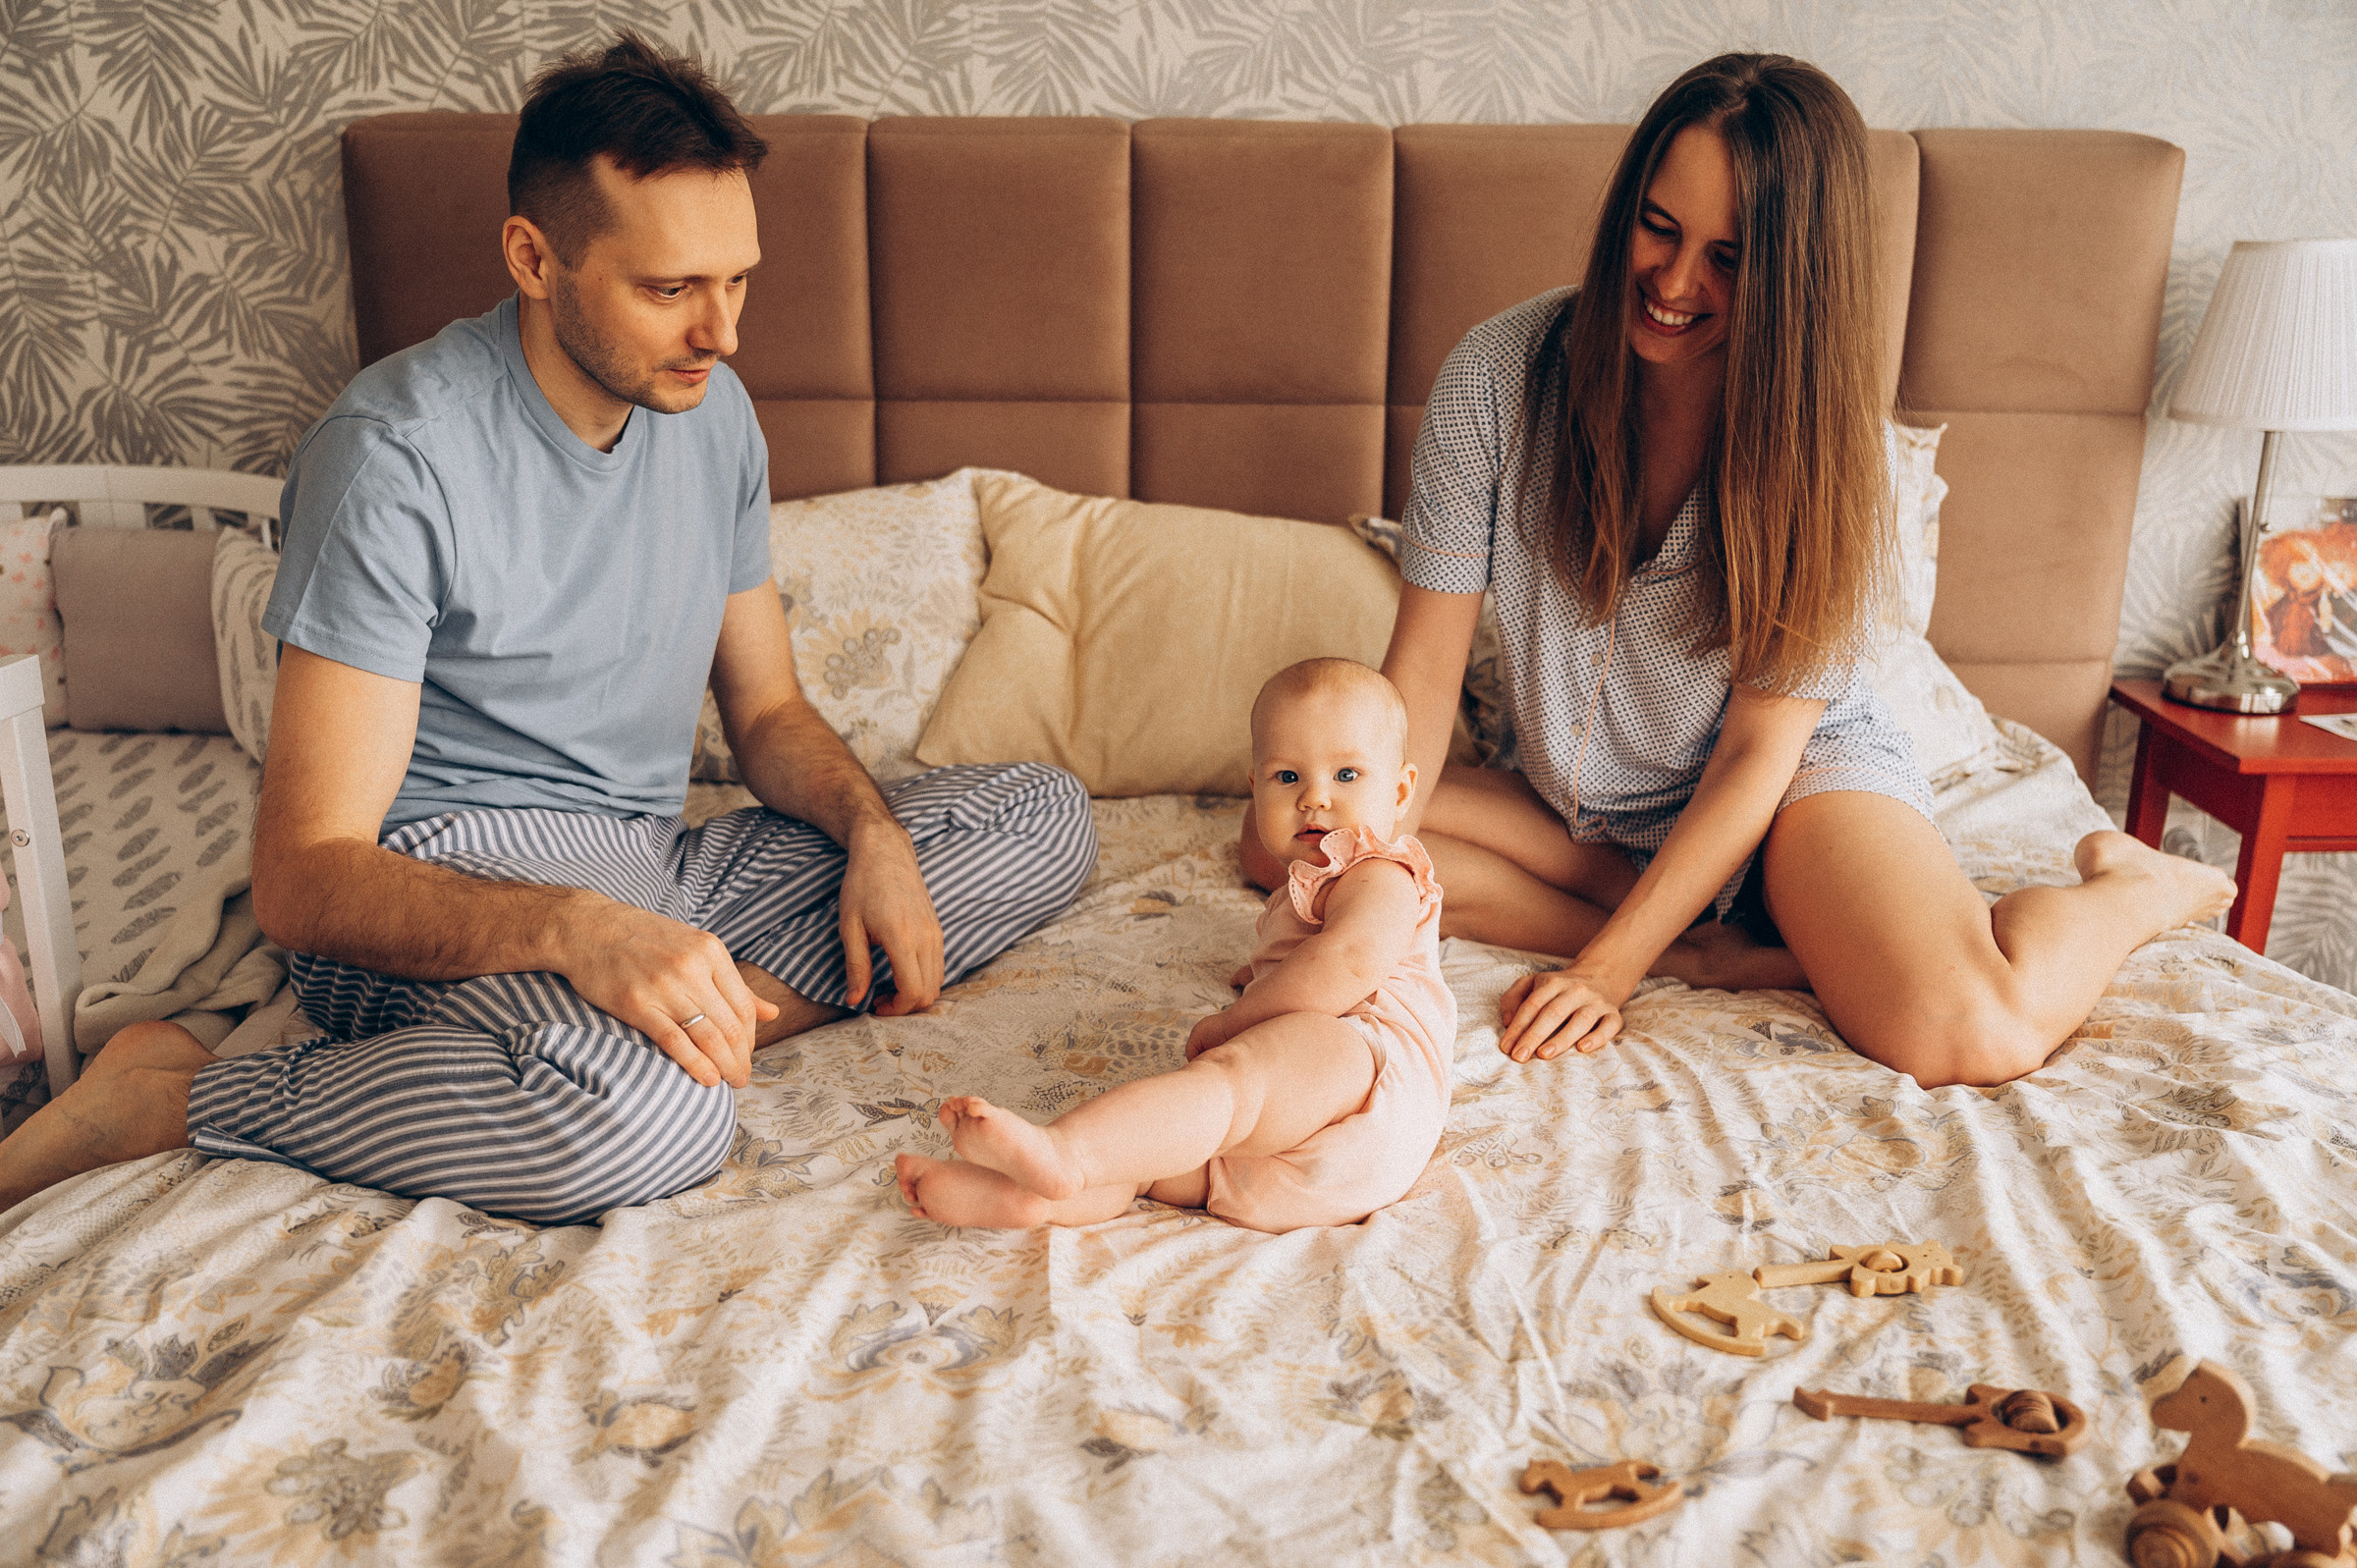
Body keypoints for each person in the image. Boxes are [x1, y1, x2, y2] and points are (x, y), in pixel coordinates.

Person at [0, 32, 1095, 1225]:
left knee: (1042, 815)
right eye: (670, 289)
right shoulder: (394, 457)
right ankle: (180, 1097)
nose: (722, 332)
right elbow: (305, 880)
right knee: (648, 1115)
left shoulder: (716, 414)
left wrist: (872, 836)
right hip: (443, 881)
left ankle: (682, 1013)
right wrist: (578, 931)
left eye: (736, 280)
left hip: (654, 867)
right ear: (534, 257)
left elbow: (771, 713)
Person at [1244, 53, 2233, 1090]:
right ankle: (1698, 947)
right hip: (1581, 811)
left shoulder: (1831, 454)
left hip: (1785, 795)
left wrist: (1609, 969)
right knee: (1289, 839)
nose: (1675, 284)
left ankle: (2131, 890)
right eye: (1658, 228)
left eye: (1728, 257)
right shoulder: (1495, 377)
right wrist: (1362, 889)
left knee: (1973, 1032)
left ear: (1795, 278)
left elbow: (1761, 751)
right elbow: (1420, 680)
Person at [898, 659, 1453, 1231]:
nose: (1314, 797)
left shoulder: (1380, 871)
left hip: (1368, 1086)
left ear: (1400, 792)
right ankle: (1029, 1200)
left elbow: (1347, 962)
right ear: (1255, 788)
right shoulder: (1302, 891)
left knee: (1231, 1079)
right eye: (1288, 777)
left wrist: (1236, 1020)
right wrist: (1266, 974)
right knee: (1151, 1155)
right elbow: (1308, 960)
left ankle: (1066, 1151)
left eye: (1346, 775)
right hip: (1276, 1172)